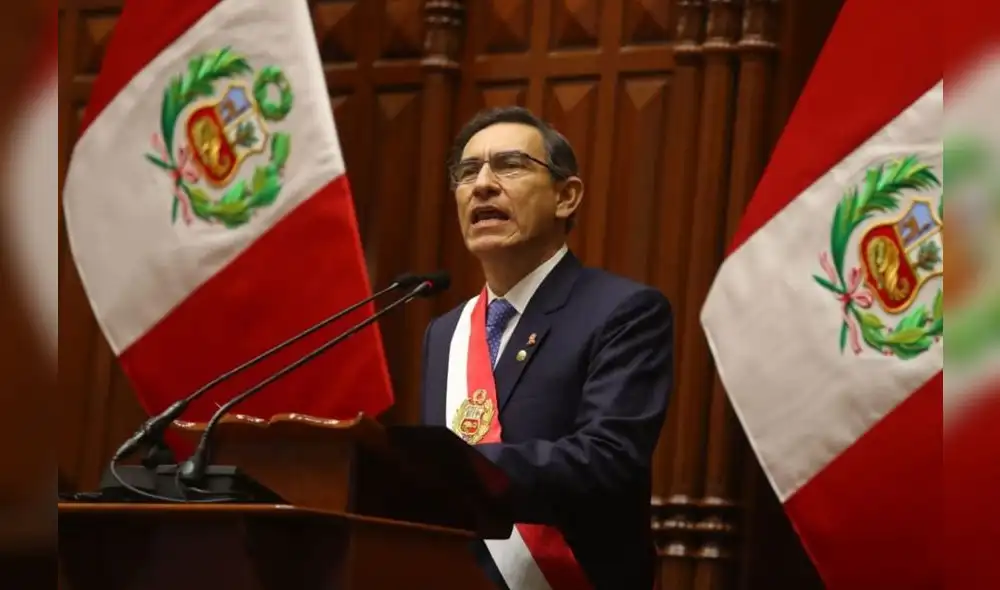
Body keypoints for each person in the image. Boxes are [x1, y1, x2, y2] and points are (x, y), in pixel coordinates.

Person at [419, 106, 673, 590]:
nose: (483, 185)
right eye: (468, 172)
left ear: (566, 196)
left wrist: (457, 468)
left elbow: (608, 460)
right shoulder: (445, 333)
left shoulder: (623, 311)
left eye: (509, 165)